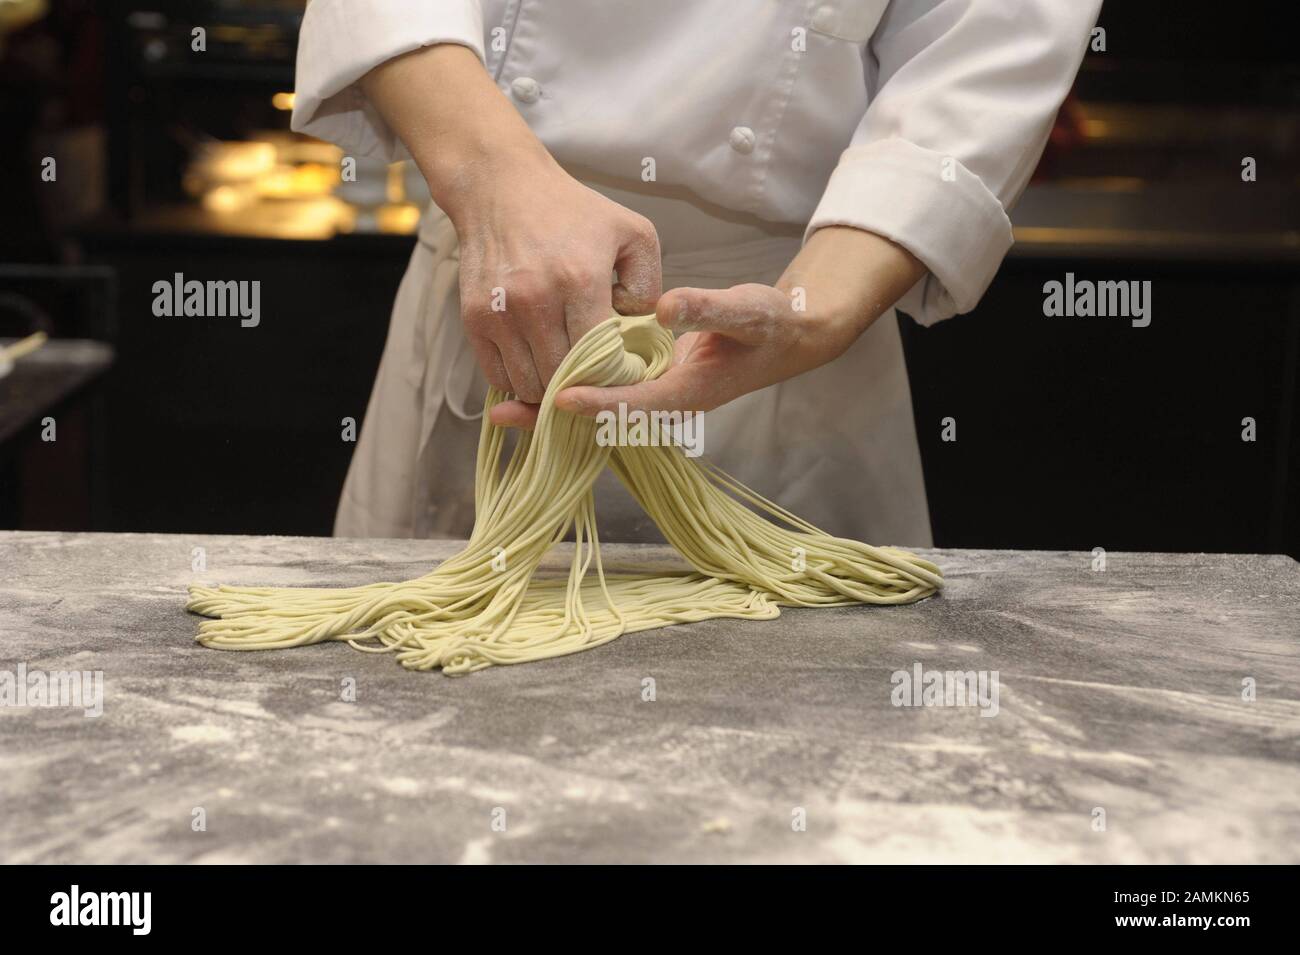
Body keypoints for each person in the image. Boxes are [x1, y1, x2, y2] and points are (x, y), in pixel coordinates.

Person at [292, 0, 1101, 544]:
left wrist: (810, 309)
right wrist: (489, 177)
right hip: (490, 293)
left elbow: (988, 44)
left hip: (783, 345)